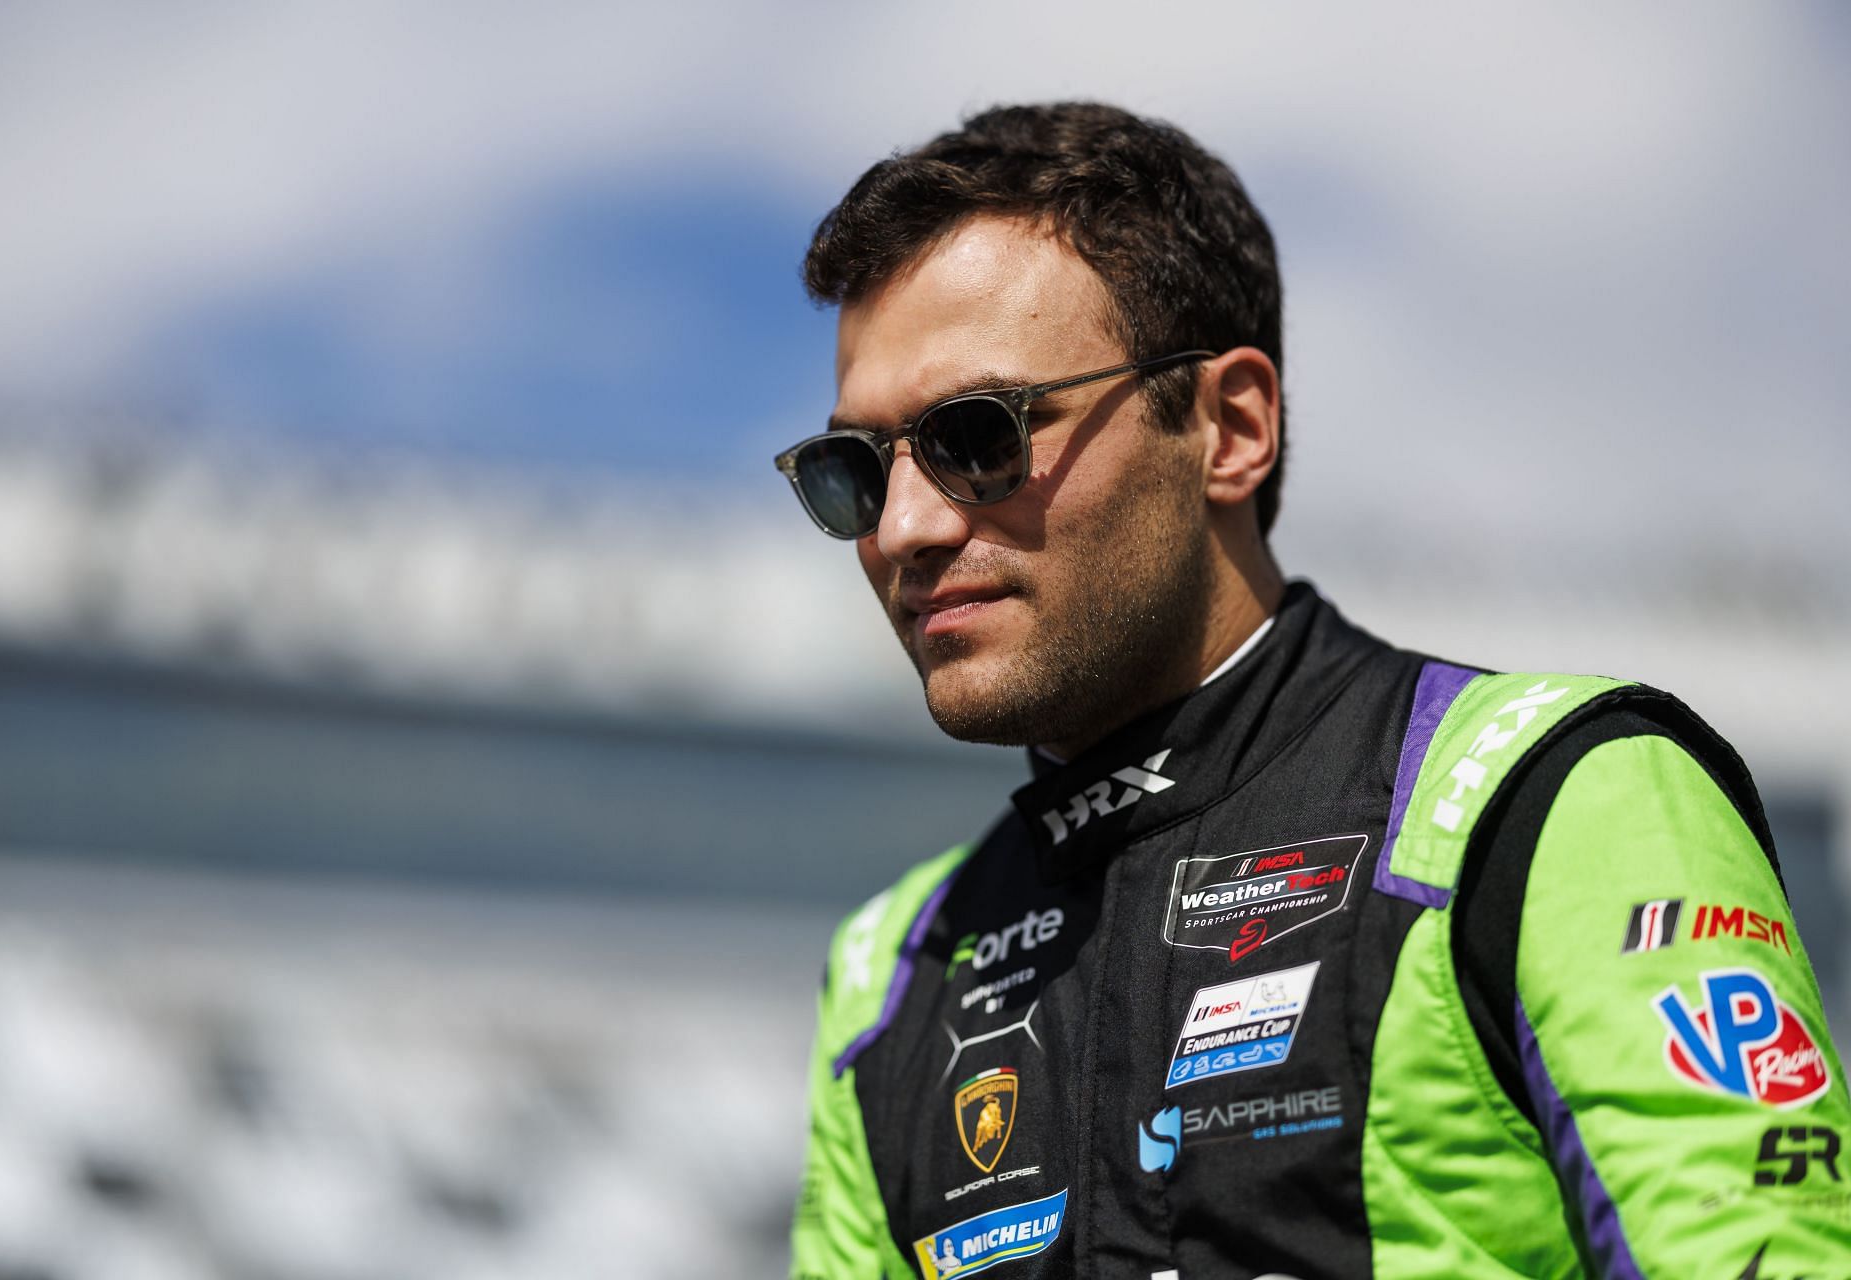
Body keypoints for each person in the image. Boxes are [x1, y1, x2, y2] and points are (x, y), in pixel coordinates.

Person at [775, 102, 1850, 1279]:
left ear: (1231, 427)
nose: (905, 528)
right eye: (854, 469)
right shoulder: (892, 968)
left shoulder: (1552, 795)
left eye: (978, 436)